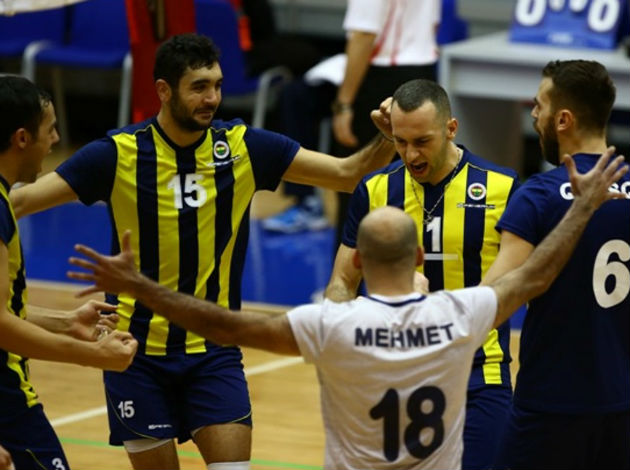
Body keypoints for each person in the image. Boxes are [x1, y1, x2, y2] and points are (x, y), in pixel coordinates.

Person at [67, 148, 627, 469]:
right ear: (419, 259)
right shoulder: (457, 315)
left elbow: (221, 323)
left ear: (356, 259)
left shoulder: (331, 325)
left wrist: (142, 287)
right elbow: (535, 275)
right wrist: (582, 208)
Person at [9, 33, 396, 470]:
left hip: (215, 352)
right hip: (135, 355)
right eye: (198, 87)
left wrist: (386, 137)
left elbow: (348, 174)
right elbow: (16, 202)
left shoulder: (244, 147)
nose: (212, 98)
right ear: (163, 90)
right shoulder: (117, 154)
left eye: (216, 85)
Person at [325, 78, 520, 469]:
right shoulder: (374, 190)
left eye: (422, 141)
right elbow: (342, 283)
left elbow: (521, 283)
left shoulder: (502, 188)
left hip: (479, 374)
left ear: (451, 129)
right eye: (400, 142)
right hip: (394, 375)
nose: (410, 154)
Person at [481, 60, 630, 469]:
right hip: (623, 404)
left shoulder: (539, 196)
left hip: (551, 404)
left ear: (563, 119)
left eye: (539, 105)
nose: (534, 114)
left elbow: (493, 305)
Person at [0, 76, 138, 470]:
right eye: (50, 129)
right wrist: (93, 355)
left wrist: (64, 324)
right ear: (22, 138)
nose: (57, 140)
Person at [263, 0, 440, 235]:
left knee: (359, 187)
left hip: (383, 78)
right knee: (407, 187)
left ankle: (350, 257)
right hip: (423, 72)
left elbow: (364, 35)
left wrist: (344, 104)